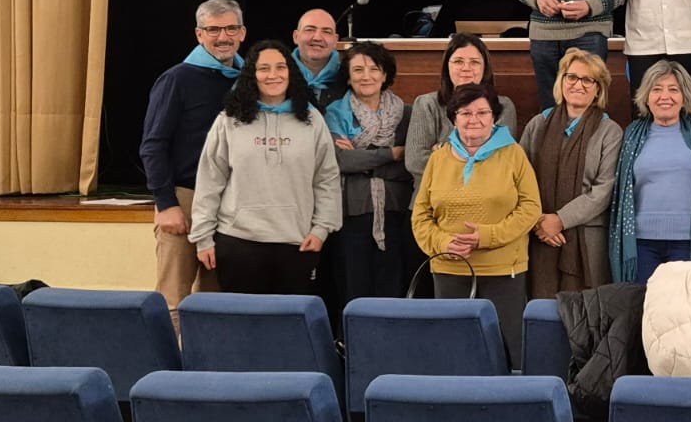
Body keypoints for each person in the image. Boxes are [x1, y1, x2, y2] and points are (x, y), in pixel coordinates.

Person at [189, 41, 341, 296]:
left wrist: (321, 229)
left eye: (281, 67)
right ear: (252, 75)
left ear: (291, 72)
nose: (273, 75)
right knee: (243, 327)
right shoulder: (229, 119)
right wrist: (203, 238)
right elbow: (210, 180)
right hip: (238, 241)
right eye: (264, 68)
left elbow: (326, 178)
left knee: (288, 329)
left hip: (297, 243)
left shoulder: (312, 119)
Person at [411, 82, 542, 367]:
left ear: (494, 117)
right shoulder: (438, 158)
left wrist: (487, 236)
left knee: (510, 352)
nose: (474, 119)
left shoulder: (513, 154)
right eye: (465, 112)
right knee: (454, 350)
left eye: (482, 112)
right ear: (453, 117)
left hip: (504, 269)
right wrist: (445, 243)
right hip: (449, 267)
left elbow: (531, 207)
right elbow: (421, 215)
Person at [140, 0, 246, 329]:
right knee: (174, 298)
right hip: (184, 197)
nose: (222, 36)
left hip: (231, 202)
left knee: (217, 301)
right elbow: (153, 145)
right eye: (213, 29)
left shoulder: (250, 80)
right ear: (199, 34)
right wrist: (166, 202)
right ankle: (168, 378)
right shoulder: (177, 79)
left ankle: (208, 376)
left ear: (242, 33)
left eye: (230, 28)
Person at [519, 49, 623, 300]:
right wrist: (538, 221)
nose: (578, 84)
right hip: (538, 233)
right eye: (572, 77)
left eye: (588, 80)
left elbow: (603, 190)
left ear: (598, 89)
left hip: (586, 239)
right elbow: (519, 180)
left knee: (584, 314)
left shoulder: (610, 131)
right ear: (561, 81)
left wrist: (560, 220)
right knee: (541, 310)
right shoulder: (538, 124)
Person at [608, 60, 691, 285]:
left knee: (684, 310)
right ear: (646, 97)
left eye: (673, 89)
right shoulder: (631, 135)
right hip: (641, 242)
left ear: (685, 96)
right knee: (644, 308)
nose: (664, 96)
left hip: (688, 240)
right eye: (656, 89)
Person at [324, 41, 417, 307]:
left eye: (373, 69)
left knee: (394, 288)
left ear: (385, 74)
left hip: (397, 211)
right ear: (349, 77)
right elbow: (339, 160)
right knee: (354, 288)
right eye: (358, 70)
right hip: (351, 212)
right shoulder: (335, 113)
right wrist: (391, 153)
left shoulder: (407, 114)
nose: (366, 76)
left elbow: (410, 162)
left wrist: (362, 160)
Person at [404, 34, 520, 181]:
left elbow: (501, 159)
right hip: (433, 196)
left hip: (487, 194)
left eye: (474, 62)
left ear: (485, 68)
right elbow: (415, 162)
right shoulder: (426, 104)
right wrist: (475, 158)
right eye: (458, 61)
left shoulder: (503, 106)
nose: (466, 68)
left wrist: (442, 151)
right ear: (447, 67)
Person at [292, 9, 347, 110]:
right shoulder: (278, 76)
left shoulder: (349, 76)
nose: (317, 38)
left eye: (326, 31)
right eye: (310, 30)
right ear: (296, 36)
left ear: (335, 41)